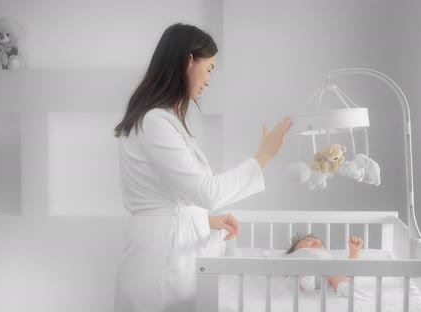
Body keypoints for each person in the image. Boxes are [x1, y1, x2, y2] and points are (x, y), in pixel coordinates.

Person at [113, 23, 293, 312]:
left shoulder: (162, 120)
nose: (209, 80)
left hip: (164, 248)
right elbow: (205, 192)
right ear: (188, 61)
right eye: (209, 68)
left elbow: (174, 196)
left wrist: (207, 221)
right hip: (161, 260)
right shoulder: (156, 122)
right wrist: (263, 156)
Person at [285, 233, 363, 293]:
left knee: (337, 275)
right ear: (297, 250)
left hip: (327, 273)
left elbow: (351, 266)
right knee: (298, 270)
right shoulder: (299, 255)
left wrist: (354, 251)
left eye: (319, 243)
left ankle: (342, 286)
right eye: (308, 241)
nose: (316, 241)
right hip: (307, 269)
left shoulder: (328, 257)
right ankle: (306, 280)